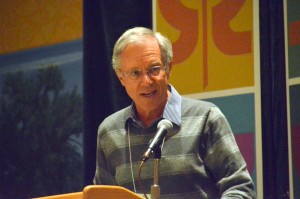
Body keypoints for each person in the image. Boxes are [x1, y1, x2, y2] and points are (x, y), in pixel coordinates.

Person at [93, 27, 256, 198]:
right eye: (135, 73)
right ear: (121, 78)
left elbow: (240, 188)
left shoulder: (205, 118)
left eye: (154, 69)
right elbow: (101, 195)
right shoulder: (109, 131)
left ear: (168, 68)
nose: (146, 81)